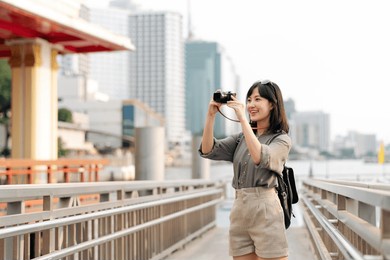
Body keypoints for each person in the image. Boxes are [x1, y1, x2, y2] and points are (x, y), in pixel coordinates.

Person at [199, 80, 291, 260]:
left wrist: (242, 118)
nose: (251, 105)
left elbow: (260, 156)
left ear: (272, 104)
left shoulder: (281, 139)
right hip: (240, 208)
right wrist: (210, 116)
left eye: (257, 99)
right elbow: (208, 150)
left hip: (265, 208)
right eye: (249, 100)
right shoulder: (241, 138)